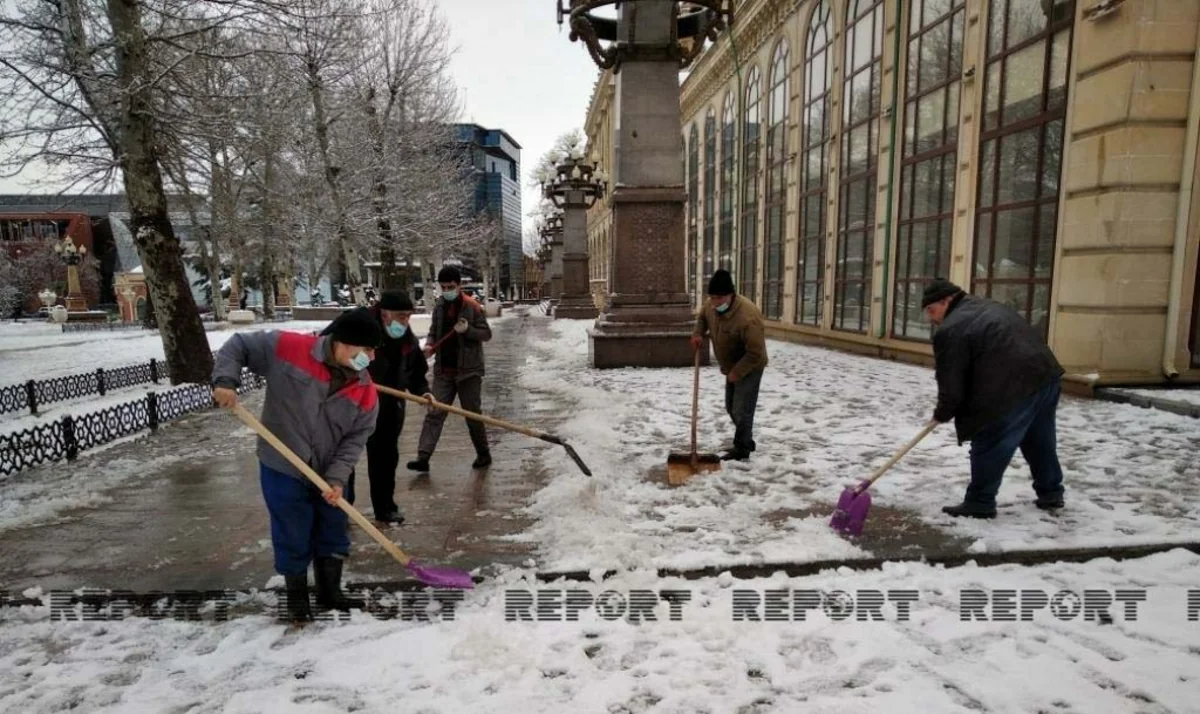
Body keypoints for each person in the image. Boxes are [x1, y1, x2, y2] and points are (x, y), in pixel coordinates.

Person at [211, 310, 381, 622]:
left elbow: (354, 442)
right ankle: (297, 598)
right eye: (366, 349)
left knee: (333, 526)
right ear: (342, 343)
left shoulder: (366, 391)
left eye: (373, 351)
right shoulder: (289, 348)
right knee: (292, 527)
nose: (370, 357)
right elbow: (238, 345)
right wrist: (225, 380)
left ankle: (330, 592)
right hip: (283, 462)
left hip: (330, 470)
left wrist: (338, 479)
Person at [922, 278, 1066, 519]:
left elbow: (952, 382)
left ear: (946, 300)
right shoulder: (988, 306)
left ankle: (980, 502)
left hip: (1012, 386)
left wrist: (943, 412)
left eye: (931, 310)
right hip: (1045, 377)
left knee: (989, 439)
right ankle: (1051, 492)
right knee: (1038, 439)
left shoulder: (951, 330)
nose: (931, 318)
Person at [321, 294, 430, 525]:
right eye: (401, 316)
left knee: (385, 458)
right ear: (384, 312)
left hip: (388, 405)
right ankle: (341, 509)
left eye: (409, 316)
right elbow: (327, 351)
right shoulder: (356, 324)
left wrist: (423, 391)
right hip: (349, 403)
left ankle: (385, 508)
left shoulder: (406, 338)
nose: (405, 321)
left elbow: (416, 369)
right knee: (344, 458)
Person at [408, 265, 493, 472]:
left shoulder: (472, 306)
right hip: (444, 370)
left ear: (459, 285)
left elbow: (486, 334)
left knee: (472, 414)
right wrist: (429, 345)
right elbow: (433, 332)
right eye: (443, 287)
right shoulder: (439, 306)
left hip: (468, 371)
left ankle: (483, 453)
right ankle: (423, 457)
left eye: (451, 286)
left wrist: (468, 330)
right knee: (434, 412)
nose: (447, 291)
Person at [690, 269, 769, 461]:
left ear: (731, 295)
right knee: (731, 407)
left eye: (719, 298)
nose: (714, 302)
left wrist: (737, 371)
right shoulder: (712, 305)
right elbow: (702, 317)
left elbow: (755, 353)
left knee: (742, 408)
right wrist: (698, 333)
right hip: (731, 364)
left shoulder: (748, 317)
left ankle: (742, 448)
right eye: (712, 297)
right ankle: (745, 437)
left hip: (750, 365)